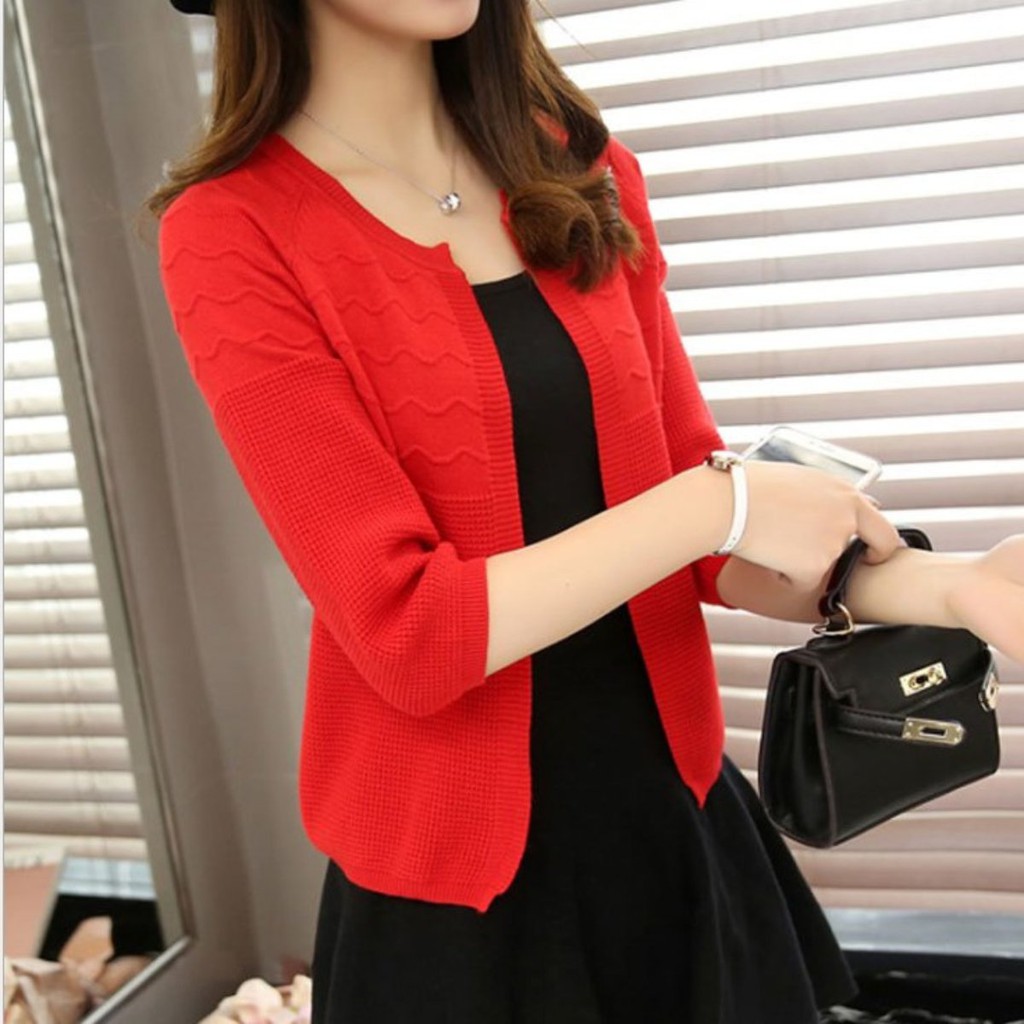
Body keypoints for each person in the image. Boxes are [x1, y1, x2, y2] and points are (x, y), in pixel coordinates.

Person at [147, 1, 1024, 1021]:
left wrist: (954, 587)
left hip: (676, 828)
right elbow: (407, 629)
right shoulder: (232, 229)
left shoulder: (578, 166)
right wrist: (717, 503)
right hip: (462, 911)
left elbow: (708, 541)